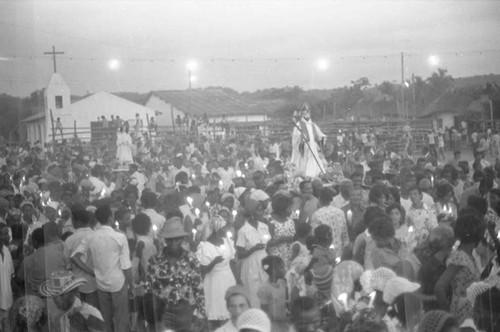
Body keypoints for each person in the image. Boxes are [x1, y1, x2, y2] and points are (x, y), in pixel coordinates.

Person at [72, 205, 133, 332]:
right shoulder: (120, 237)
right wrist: (132, 286)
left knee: (105, 318)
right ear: (111, 218)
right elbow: (126, 266)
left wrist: (91, 272)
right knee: (121, 319)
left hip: (101, 284)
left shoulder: (91, 237)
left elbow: (74, 257)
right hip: (118, 283)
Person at [144, 216, 205, 331]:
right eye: (170, 239)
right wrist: (149, 318)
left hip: (185, 310)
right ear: (165, 240)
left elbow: (198, 287)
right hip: (162, 312)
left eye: (177, 239)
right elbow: (148, 289)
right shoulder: (155, 261)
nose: (173, 242)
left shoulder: (191, 259)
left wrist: (201, 312)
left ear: (182, 239)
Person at [435, 213, 485, 324]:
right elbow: (439, 288)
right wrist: (448, 316)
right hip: (461, 312)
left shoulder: (468, 255)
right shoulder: (460, 257)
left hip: (469, 311)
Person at [196, 215, 236, 328]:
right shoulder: (205, 246)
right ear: (214, 230)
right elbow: (203, 270)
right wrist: (214, 262)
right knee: (215, 312)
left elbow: (232, 262)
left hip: (228, 279)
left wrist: (237, 280)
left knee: (229, 313)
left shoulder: (227, 242)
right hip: (214, 282)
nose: (224, 230)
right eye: (222, 228)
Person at [38, 271, 105, 332]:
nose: (57, 299)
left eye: (62, 295)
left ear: (74, 292)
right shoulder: (55, 314)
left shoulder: (89, 313)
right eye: (54, 296)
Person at [236, 194, 270, 308]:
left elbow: (268, 244)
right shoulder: (243, 231)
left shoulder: (264, 226)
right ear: (251, 214)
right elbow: (240, 253)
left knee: (265, 292)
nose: (261, 213)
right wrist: (254, 248)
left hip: (264, 261)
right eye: (259, 211)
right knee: (253, 294)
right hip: (250, 264)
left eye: (262, 210)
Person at [64, 208, 98, 309]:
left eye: (72, 219)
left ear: (77, 222)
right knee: (93, 313)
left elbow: (67, 265)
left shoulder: (70, 240)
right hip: (95, 283)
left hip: (76, 285)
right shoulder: (96, 235)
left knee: (78, 314)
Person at [310, 187, 349, 260]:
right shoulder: (340, 212)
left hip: (325, 254)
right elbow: (345, 234)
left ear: (320, 199)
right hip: (340, 252)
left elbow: (314, 235)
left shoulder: (317, 214)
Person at [292, 103, 326, 178]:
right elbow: (295, 139)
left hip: (313, 148)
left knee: (315, 162)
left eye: (308, 112)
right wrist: (301, 137)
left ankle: (317, 174)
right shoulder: (299, 124)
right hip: (304, 148)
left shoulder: (313, 125)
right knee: (304, 165)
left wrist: (322, 137)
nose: (306, 114)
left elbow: (320, 135)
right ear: (302, 114)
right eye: (304, 112)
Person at [257, 255, 288, 332]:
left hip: (283, 322)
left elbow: (285, 301)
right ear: (274, 271)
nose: (285, 270)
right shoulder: (265, 288)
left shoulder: (282, 283)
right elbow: (264, 311)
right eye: (282, 267)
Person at [267, 192, 295, 269]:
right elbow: (268, 242)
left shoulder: (290, 221)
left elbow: (294, 236)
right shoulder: (271, 222)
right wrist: (282, 239)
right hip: (276, 258)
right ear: (282, 208)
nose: (292, 210)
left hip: (288, 256)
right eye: (289, 208)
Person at [0, 223, 14, 332]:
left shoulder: (6, 251)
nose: (8, 236)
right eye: (5, 234)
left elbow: (11, 275)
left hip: (7, 301)